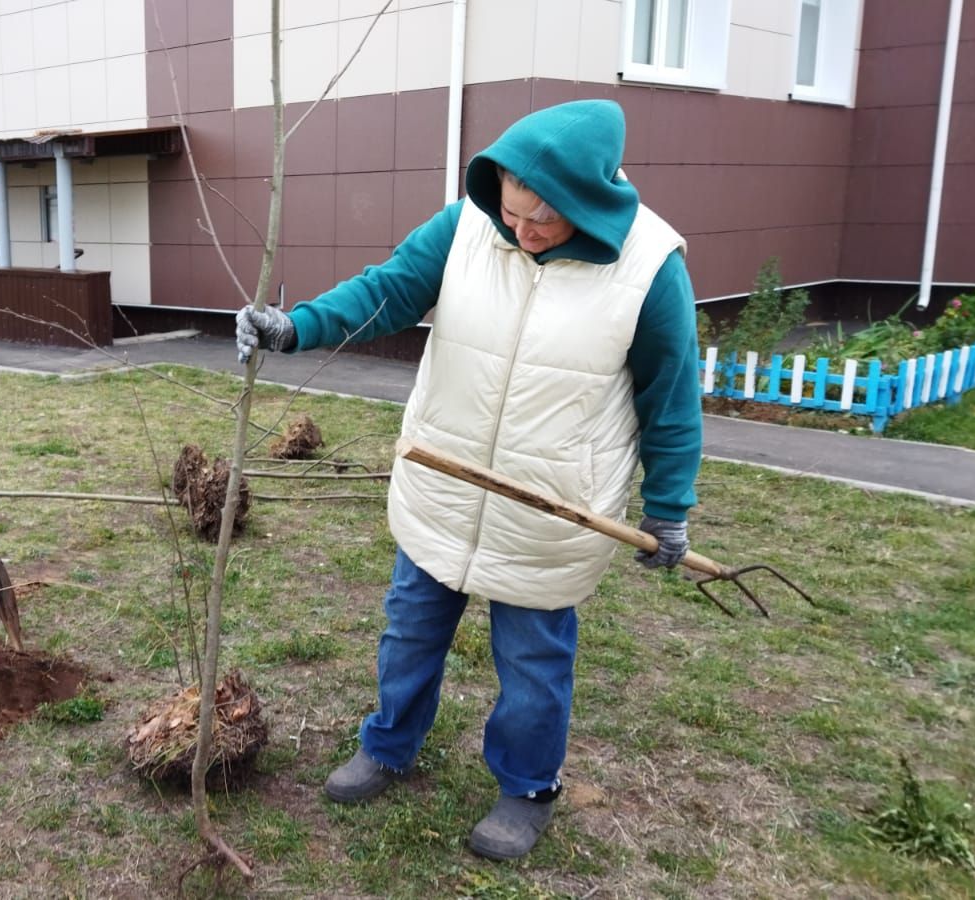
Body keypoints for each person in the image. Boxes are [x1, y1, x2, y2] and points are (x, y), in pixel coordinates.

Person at [236, 99, 701, 860]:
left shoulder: (650, 268)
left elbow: (672, 397)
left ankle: (527, 787)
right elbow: (385, 291)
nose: (518, 231)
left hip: (551, 509)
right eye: (510, 212)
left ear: (585, 203)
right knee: (410, 631)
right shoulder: (468, 226)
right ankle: (388, 745)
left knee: (533, 662)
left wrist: (669, 508)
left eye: (539, 222)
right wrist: (295, 327)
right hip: (445, 480)